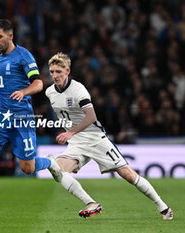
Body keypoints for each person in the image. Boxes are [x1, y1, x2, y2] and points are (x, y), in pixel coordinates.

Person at [45, 53, 173, 220]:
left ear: (67, 71)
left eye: (58, 71)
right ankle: (91, 203)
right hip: (76, 142)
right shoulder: (49, 92)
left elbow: (91, 117)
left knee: (128, 175)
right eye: (52, 71)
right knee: (57, 169)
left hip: (95, 139)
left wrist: (70, 132)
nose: (55, 75)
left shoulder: (78, 90)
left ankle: (163, 207)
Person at [0, 19, 59, 209]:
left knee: (28, 167)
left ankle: (50, 162)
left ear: (10, 36)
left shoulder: (23, 56)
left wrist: (23, 92)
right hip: (0, 116)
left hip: (21, 118)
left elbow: (38, 83)